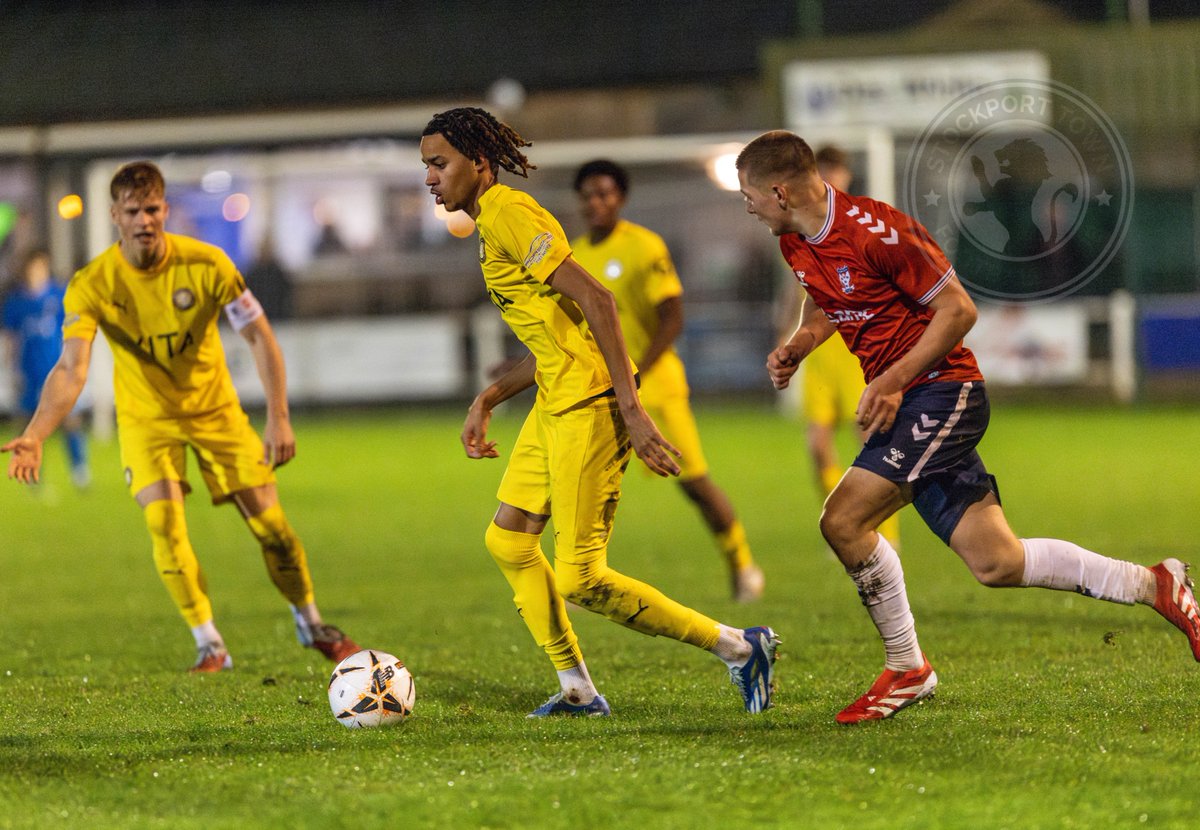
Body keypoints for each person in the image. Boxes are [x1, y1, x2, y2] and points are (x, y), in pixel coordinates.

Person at [735, 130, 1200, 724]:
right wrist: (800, 342)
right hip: (912, 401)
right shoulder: (796, 240)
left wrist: (894, 378)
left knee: (843, 520)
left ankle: (907, 669)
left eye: (748, 195)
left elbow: (959, 309)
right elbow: (829, 297)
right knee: (996, 562)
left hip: (943, 392)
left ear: (778, 191)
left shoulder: (880, 231)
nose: (746, 206)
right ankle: (1157, 584)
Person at [420, 107, 778, 717]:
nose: (429, 178)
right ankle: (577, 690)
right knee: (509, 542)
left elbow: (599, 301)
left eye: (438, 163)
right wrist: (487, 398)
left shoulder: (510, 213)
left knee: (581, 578)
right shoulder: (490, 224)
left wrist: (631, 408)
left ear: (479, 163)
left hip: (589, 405)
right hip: (555, 403)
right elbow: (553, 337)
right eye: (426, 164)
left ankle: (740, 647)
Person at [3, 161, 359, 673]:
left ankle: (310, 621)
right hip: (148, 422)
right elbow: (71, 367)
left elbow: (259, 335)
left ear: (165, 210)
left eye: (152, 209)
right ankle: (208, 641)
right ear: (115, 216)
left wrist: (278, 417)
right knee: (164, 525)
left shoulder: (207, 264)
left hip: (216, 413)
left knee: (273, 529)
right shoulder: (93, 284)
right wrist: (36, 432)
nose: (144, 219)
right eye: (133, 211)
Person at [570, 159, 764, 603]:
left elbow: (673, 318)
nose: (596, 202)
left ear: (621, 197)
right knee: (583, 489)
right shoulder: (574, 255)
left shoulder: (644, 246)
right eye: (588, 195)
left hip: (655, 388)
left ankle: (742, 563)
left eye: (604, 193)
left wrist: (637, 371)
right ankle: (581, 578)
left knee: (694, 483)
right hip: (601, 392)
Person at [787, 146, 901, 550]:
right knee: (817, 444)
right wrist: (791, 336)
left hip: (855, 344)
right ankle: (840, 522)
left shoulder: (864, 221)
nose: (830, 180)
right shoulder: (798, 229)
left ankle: (884, 535)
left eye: (836, 172)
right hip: (820, 350)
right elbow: (802, 290)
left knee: (869, 438)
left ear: (847, 176)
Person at [2, 248, 90, 488]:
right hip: (29, 371)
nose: (35, 272)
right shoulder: (16, 303)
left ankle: (79, 468)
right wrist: (11, 371)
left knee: (70, 418)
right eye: (31, 268)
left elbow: (74, 332)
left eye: (39, 267)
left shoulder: (60, 295)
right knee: (26, 423)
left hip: (57, 368)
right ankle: (28, 472)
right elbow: (11, 339)